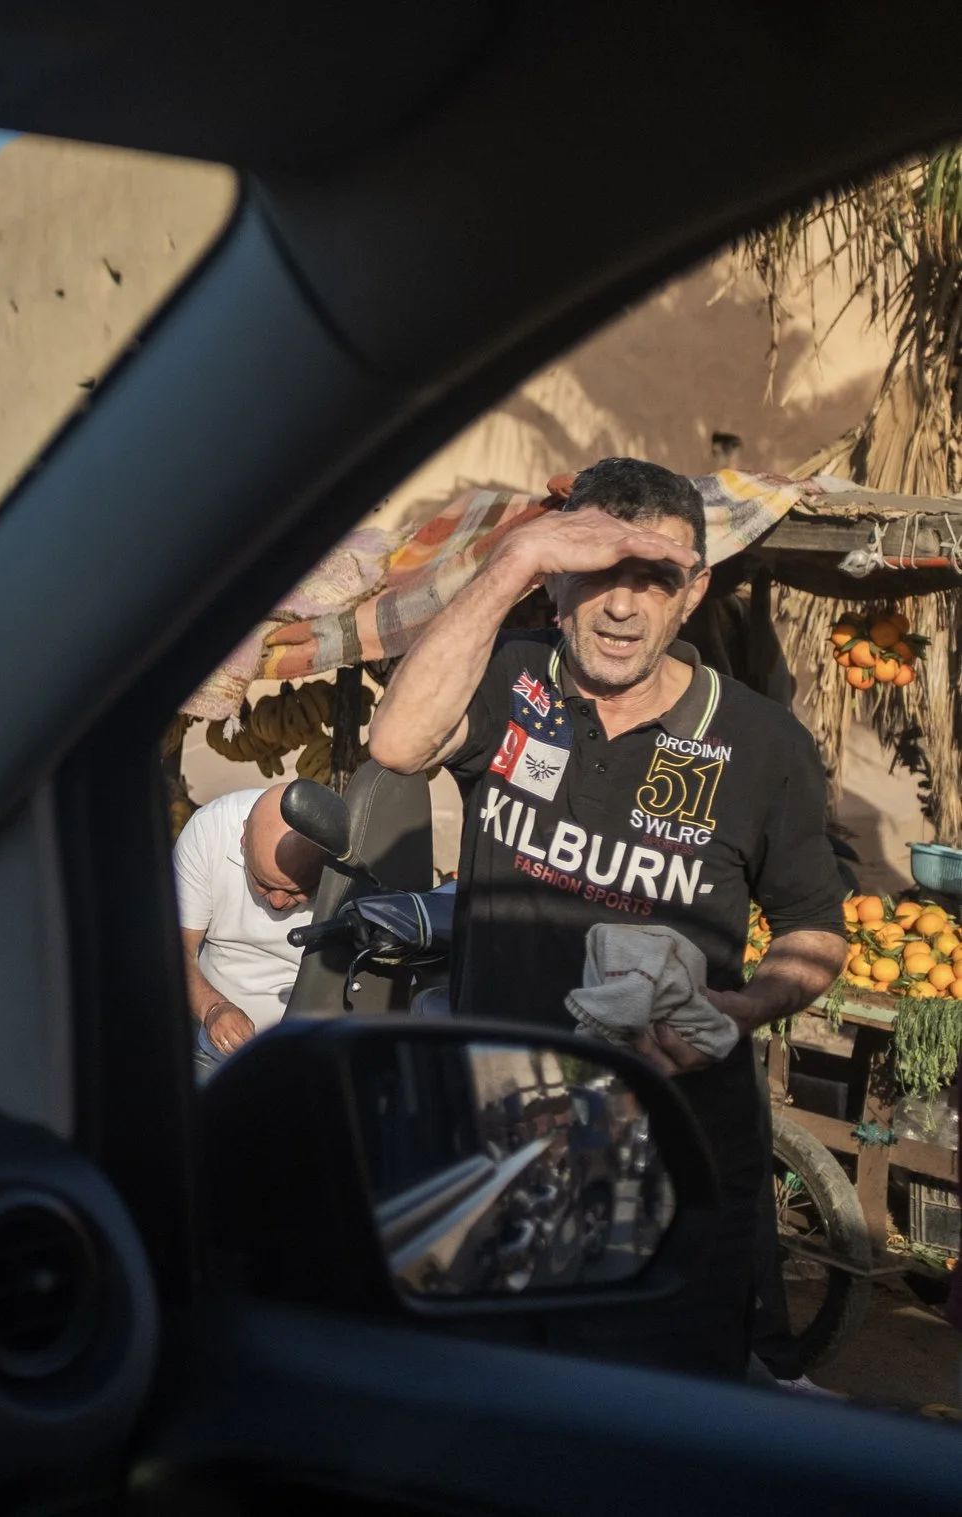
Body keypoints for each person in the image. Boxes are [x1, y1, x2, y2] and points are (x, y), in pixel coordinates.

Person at [366, 455, 845, 1382]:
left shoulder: (761, 743)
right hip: (493, 1141)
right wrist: (513, 559)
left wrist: (736, 1015)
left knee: (644, 1433)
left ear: (692, 590)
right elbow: (396, 742)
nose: (623, 606)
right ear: (557, 582)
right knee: (478, 1415)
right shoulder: (511, 679)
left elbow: (814, 932)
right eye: (596, 570)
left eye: (655, 576)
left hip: (668, 1155)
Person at [176, 782, 326, 1066]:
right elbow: (174, 949)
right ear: (244, 839)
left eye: (298, 890)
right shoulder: (210, 831)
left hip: (307, 1052)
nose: (278, 901)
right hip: (209, 1046)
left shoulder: (352, 853)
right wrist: (213, 1008)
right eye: (263, 883)